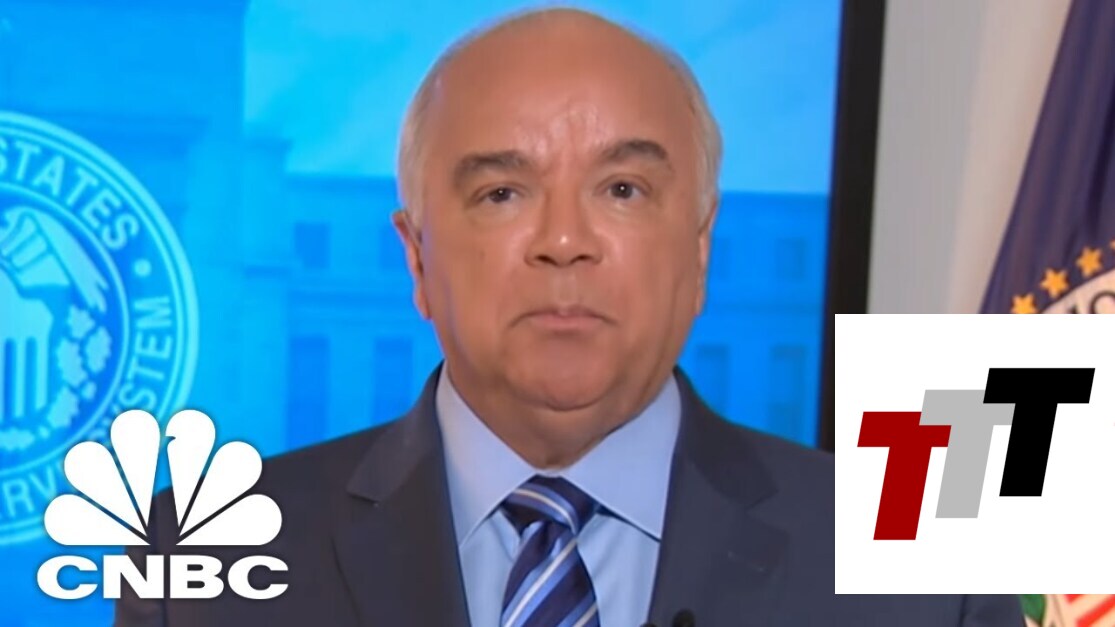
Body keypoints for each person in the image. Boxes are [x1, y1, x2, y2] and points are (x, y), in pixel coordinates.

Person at [116, 8, 1023, 627]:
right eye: (502, 192)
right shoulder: (200, 558)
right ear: (418, 259)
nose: (563, 241)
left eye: (622, 189)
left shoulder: (922, 562)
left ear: (699, 247)